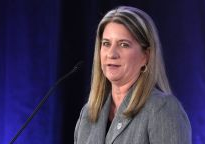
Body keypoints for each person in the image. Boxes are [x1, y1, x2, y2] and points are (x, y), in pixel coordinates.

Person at [74, 6, 192, 144]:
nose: (111, 54)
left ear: (145, 56)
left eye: (123, 45)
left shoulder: (163, 109)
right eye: (106, 44)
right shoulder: (88, 115)